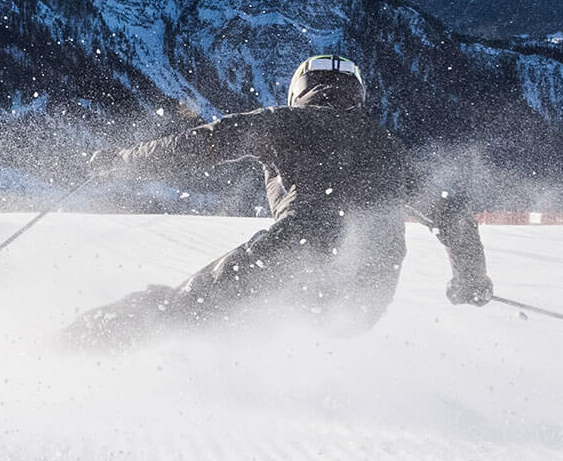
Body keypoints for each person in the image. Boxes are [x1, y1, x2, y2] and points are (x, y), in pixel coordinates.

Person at [67, 53, 493, 346]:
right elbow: (454, 217)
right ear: (357, 95)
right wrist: (470, 280)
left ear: (299, 91)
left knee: (182, 309)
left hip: (297, 254)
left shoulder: (283, 124)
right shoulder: (391, 149)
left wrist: (121, 163)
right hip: (368, 295)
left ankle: (72, 347)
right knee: (256, 324)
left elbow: (198, 145)